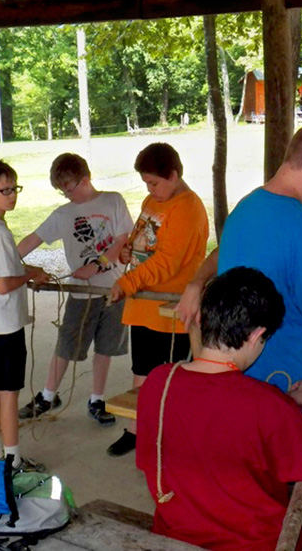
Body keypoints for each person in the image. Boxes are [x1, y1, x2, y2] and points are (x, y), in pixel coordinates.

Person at [135, 266, 302, 551]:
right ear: (255, 335)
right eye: (263, 341)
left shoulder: (158, 382)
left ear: (202, 318)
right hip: (255, 544)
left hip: (176, 537)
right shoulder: (267, 404)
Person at [177, 121, 302, 394]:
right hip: (285, 387)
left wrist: (196, 281)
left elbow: (222, 251)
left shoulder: (244, 210)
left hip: (228, 383)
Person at [107, 142, 209, 457]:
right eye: (146, 183)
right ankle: (136, 430)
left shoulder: (188, 206)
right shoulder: (154, 200)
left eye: (155, 182)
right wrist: (127, 253)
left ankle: (172, 438)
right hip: (143, 303)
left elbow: (169, 261)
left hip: (170, 306)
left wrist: (127, 281)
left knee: (172, 375)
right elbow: (143, 242)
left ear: (174, 175)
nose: (151, 190)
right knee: (142, 369)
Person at [16, 153, 133, 425]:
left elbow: (122, 241)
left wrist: (96, 265)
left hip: (115, 290)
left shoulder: (113, 201)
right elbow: (33, 240)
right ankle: (47, 395)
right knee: (67, 345)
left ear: (86, 179)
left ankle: (97, 398)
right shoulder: (64, 214)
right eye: (62, 191)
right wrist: (6, 257)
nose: (67, 195)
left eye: (69, 188)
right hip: (81, 294)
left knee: (106, 347)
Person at [0, 159, 50, 470]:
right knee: (9, 395)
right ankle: (13, 459)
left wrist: (25, 270)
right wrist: (30, 275)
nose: (11, 195)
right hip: (5, 326)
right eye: (3, 190)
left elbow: (0, 274)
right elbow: (4, 284)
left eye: (14, 188)